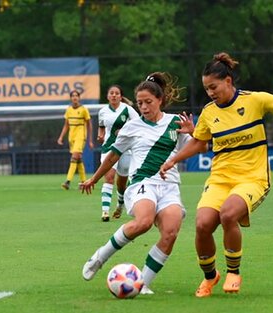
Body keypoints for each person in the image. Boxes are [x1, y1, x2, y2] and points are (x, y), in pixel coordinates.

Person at [160, 52, 273, 297]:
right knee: (203, 225)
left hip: (253, 177)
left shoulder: (254, 100)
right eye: (207, 89)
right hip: (220, 179)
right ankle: (210, 277)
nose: (210, 93)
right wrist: (173, 159)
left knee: (228, 215)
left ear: (228, 81)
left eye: (213, 87)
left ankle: (233, 271)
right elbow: (199, 143)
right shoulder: (208, 112)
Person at [80, 72, 202, 294]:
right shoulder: (132, 127)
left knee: (170, 232)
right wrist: (94, 178)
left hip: (169, 186)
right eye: (140, 103)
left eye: (148, 102)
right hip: (142, 183)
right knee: (144, 222)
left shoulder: (175, 123)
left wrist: (193, 134)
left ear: (160, 100)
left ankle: (142, 283)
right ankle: (100, 257)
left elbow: (200, 148)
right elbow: (112, 157)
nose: (144, 107)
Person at [97, 85, 139, 222]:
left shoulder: (128, 109)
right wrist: (100, 135)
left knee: (121, 183)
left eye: (117, 93)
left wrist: (126, 131)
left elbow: (139, 124)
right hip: (109, 147)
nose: (114, 95)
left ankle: (120, 203)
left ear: (121, 96)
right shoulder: (102, 111)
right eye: (111, 93)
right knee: (109, 177)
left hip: (125, 149)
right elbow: (102, 127)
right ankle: (105, 211)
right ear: (107, 96)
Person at [57, 90, 94, 190]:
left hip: (81, 136)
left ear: (79, 97)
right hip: (71, 137)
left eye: (76, 96)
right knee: (78, 159)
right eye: (72, 96)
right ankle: (83, 182)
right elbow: (66, 125)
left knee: (74, 157)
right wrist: (61, 137)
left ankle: (68, 181)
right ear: (70, 98)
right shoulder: (68, 110)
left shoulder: (83, 110)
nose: (74, 98)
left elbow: (89, 124)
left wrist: (90, 140)